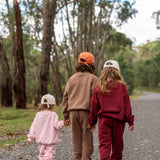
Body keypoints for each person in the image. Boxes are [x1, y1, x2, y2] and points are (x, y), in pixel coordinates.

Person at [88, 60, 134, 160]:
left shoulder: (99, 86)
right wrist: (130, 121)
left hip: (104, 121)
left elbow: (94, 106)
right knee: (118, 145)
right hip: (119, 120)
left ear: (103, 71)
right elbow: (127, 106)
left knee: (104, 144)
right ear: (118, 71)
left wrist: (92, 122)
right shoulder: (122, 86)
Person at [62, 52, 98, 160]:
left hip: (73, 113)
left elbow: (65, 97)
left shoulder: (71, 78)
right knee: (87, 139)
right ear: (92, 65)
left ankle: (76, 157)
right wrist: (93, 119)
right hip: (86, 113)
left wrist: (65, 116)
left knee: (76, 139)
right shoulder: (93, 78)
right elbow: (95, 100)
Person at [27, 94, 64, 160]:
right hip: (50, 140)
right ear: (53, 105)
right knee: (49, 154)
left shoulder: (38, 115)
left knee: (42, 155)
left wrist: (30, 136)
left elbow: (33, 126)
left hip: (41, 140)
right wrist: (63, 122)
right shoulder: (53, 115)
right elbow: (57, 125)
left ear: (41, 105)